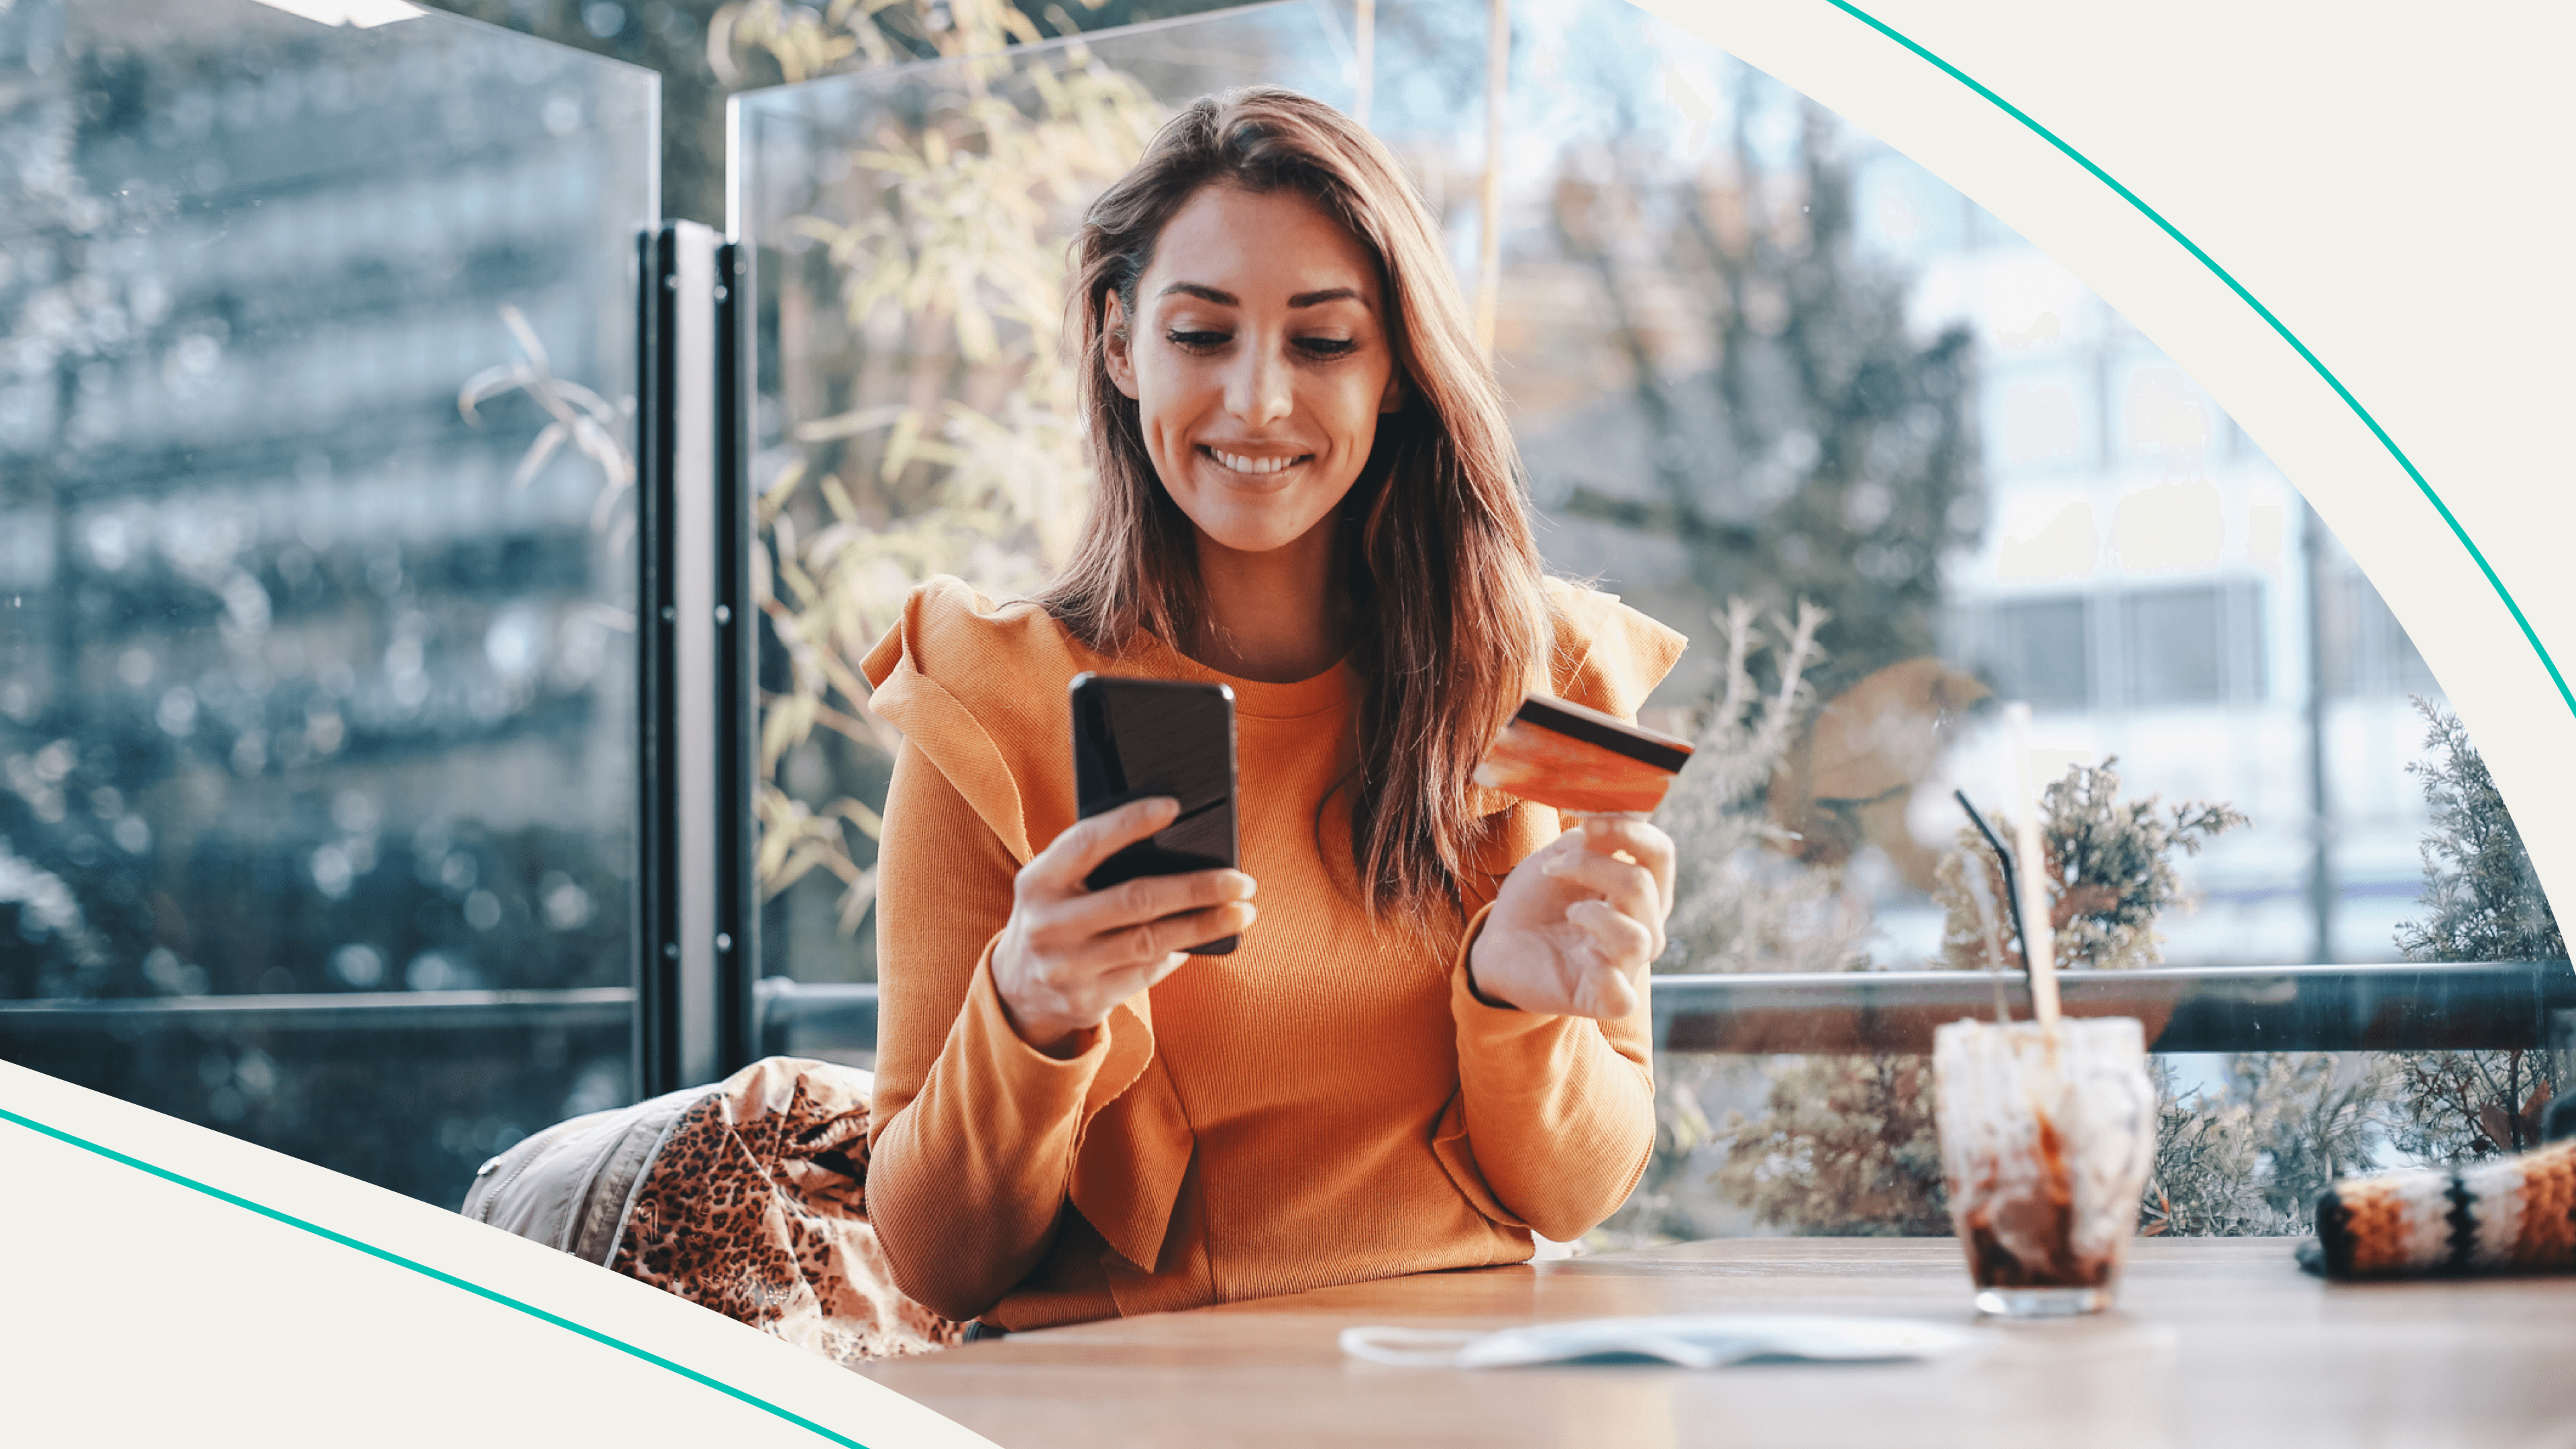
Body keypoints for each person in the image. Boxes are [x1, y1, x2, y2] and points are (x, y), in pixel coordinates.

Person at [859, 86, 1687, 1334]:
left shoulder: (1540, 671)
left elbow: (1574, 1196)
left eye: (1322, 342)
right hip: (1134, 1409)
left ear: (1397, 367)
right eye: (1202, 335)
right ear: (1119, 342)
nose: (1256, 400)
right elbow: (937, 1262)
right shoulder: (996, 698)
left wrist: (1519, 1014)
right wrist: (1028, 1010)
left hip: (1466, 1390)